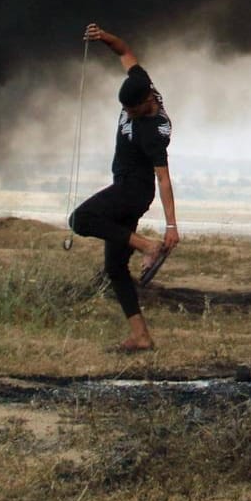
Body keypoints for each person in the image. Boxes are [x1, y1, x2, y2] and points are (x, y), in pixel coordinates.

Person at [71, 23, 180, 352]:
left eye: (132, 111)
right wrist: (104, 37)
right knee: (115, 268)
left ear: (147, 101)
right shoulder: (140, 82)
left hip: (134, 191)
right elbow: (125, 51)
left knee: (81, 220)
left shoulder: (153, 131)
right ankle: (140, 336)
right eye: (125, 111)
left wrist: (171, 225)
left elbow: (163, 178)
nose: (128, 116)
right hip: (125, 186)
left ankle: (146, 246)